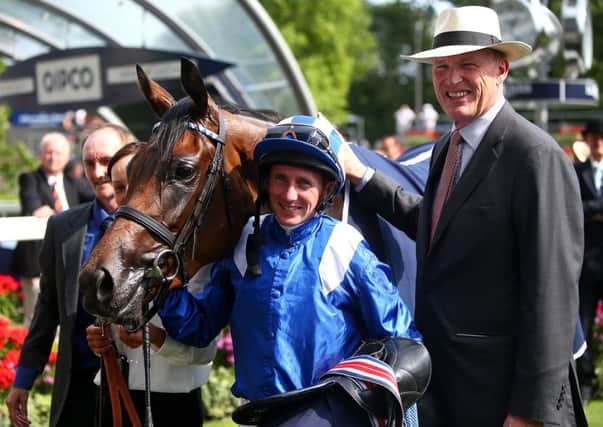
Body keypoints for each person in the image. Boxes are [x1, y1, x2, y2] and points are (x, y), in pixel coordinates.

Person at [340, 6, 586, 426]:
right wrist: (364, 176)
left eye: (467, 65)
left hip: (505, 404)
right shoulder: (445, 149)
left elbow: (552, 299)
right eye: (441, 67)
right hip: (449, 393)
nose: (452, 79)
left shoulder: (535, 157)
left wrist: (528, 414)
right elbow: (436, 226)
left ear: (502, 68)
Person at [157, 115, 423, 426]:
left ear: (325, 191)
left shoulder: (344, 245)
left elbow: (403, 343)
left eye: (304, 183)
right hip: (262, 415)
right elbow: (199, 326)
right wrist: (165, 280)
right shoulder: (245, 242)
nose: (290, 194)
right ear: (266, 183)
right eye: (281, 179)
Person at [6, 124, 133, 427]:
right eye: (89, 163)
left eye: (106, 160)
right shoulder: (63, 228)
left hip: (138, 387)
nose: (98, 171)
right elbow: (47, 310)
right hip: (76, 389)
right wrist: (23, 379)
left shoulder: (156, 226)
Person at [86, 141, 218, 426]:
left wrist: (157, 338)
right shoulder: (111, 245)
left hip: (172, 403)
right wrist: (100, 340)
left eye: (135, 185)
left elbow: (205, 352)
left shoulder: (193, 256)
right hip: (113, 393)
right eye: (119, 187)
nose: (127, 197)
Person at [11, 132, 93, 326]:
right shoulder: (29, 178)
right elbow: (33, 206)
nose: (53, 157)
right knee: (35, 318)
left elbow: (97, 199)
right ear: (40, 155)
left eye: (58, 153)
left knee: (66, 317)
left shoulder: (73, 182)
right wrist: (42, 211)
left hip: (70, 261)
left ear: (66, 157)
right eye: (48, 152)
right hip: (36, 262)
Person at [574, 118, 603, 404]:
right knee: (582, 320)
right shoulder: (577, 171)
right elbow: (572, 209)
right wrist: (596, 208)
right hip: (587, 263)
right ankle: (585, 380)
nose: (599, 143)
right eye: (594, 138)